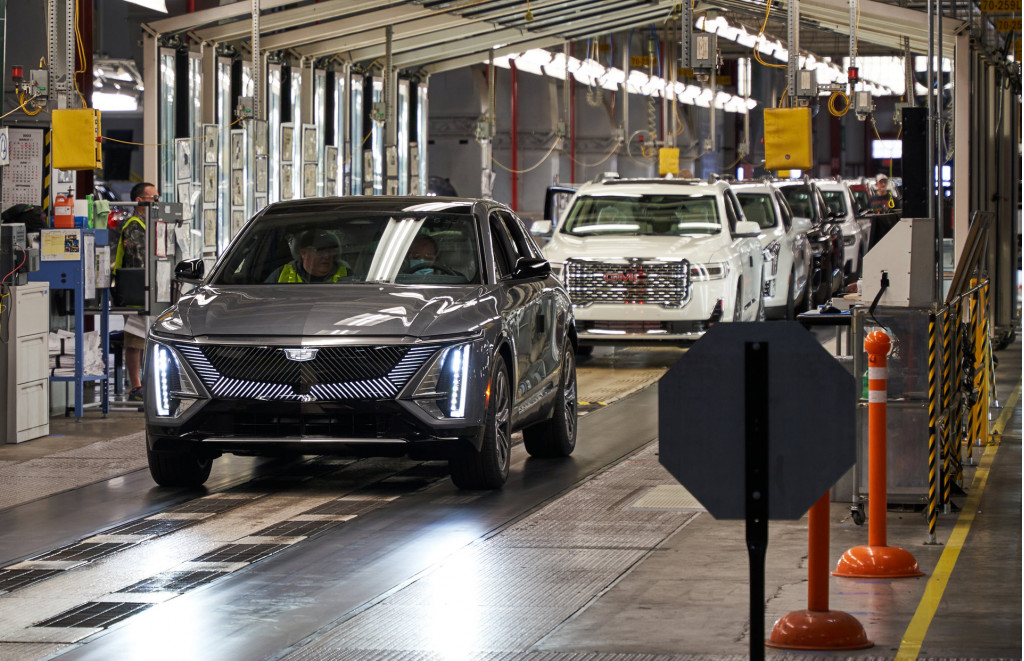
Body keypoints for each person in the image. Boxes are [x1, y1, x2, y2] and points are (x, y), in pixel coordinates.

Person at [114, 182, 158, 402]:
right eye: (153, 197)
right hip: (135, 291)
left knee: (145, 340)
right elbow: (138, 261)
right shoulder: (134, 225)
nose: (157, 201)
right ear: (140, 201)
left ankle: (147, 383)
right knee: (135, 341)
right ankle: (136, 386)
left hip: (147, 289)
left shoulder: (149, 223)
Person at [266, 229, 349, 283]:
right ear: (303, 253)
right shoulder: (281, 274)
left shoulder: (346, 274)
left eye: (330, 250)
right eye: (319, 250)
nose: (327, 256)